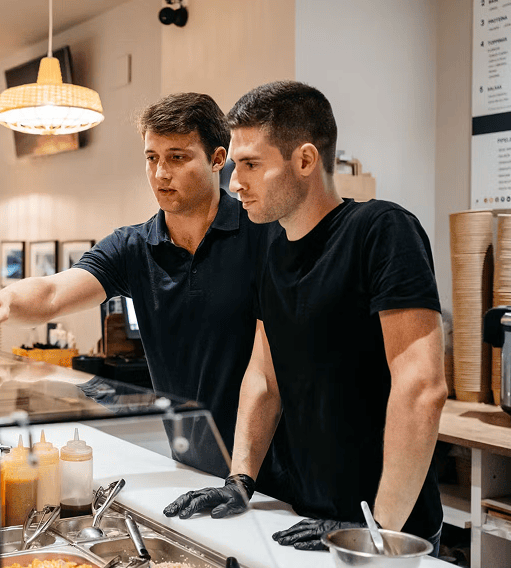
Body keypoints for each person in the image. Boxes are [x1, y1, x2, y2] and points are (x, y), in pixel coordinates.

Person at [163, 81, 448, 555]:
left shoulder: (382, 230)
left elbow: (422, 390)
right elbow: (264, 377)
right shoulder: (272, 249)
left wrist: (376, 534)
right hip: (304, 516)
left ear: (305, 160)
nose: (235, 183)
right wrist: (240, 480)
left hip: (391, 533)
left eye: (252, 165)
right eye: (236, 166)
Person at [0, 92, 283, 484]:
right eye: (152, 158)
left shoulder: (265, 236)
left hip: (272, 481)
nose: (160, 174)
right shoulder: (133, 246)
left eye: (178, 157)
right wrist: (5, 299)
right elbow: (52, 293)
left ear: (218, 160)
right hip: (191, 468)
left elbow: (272, 374)